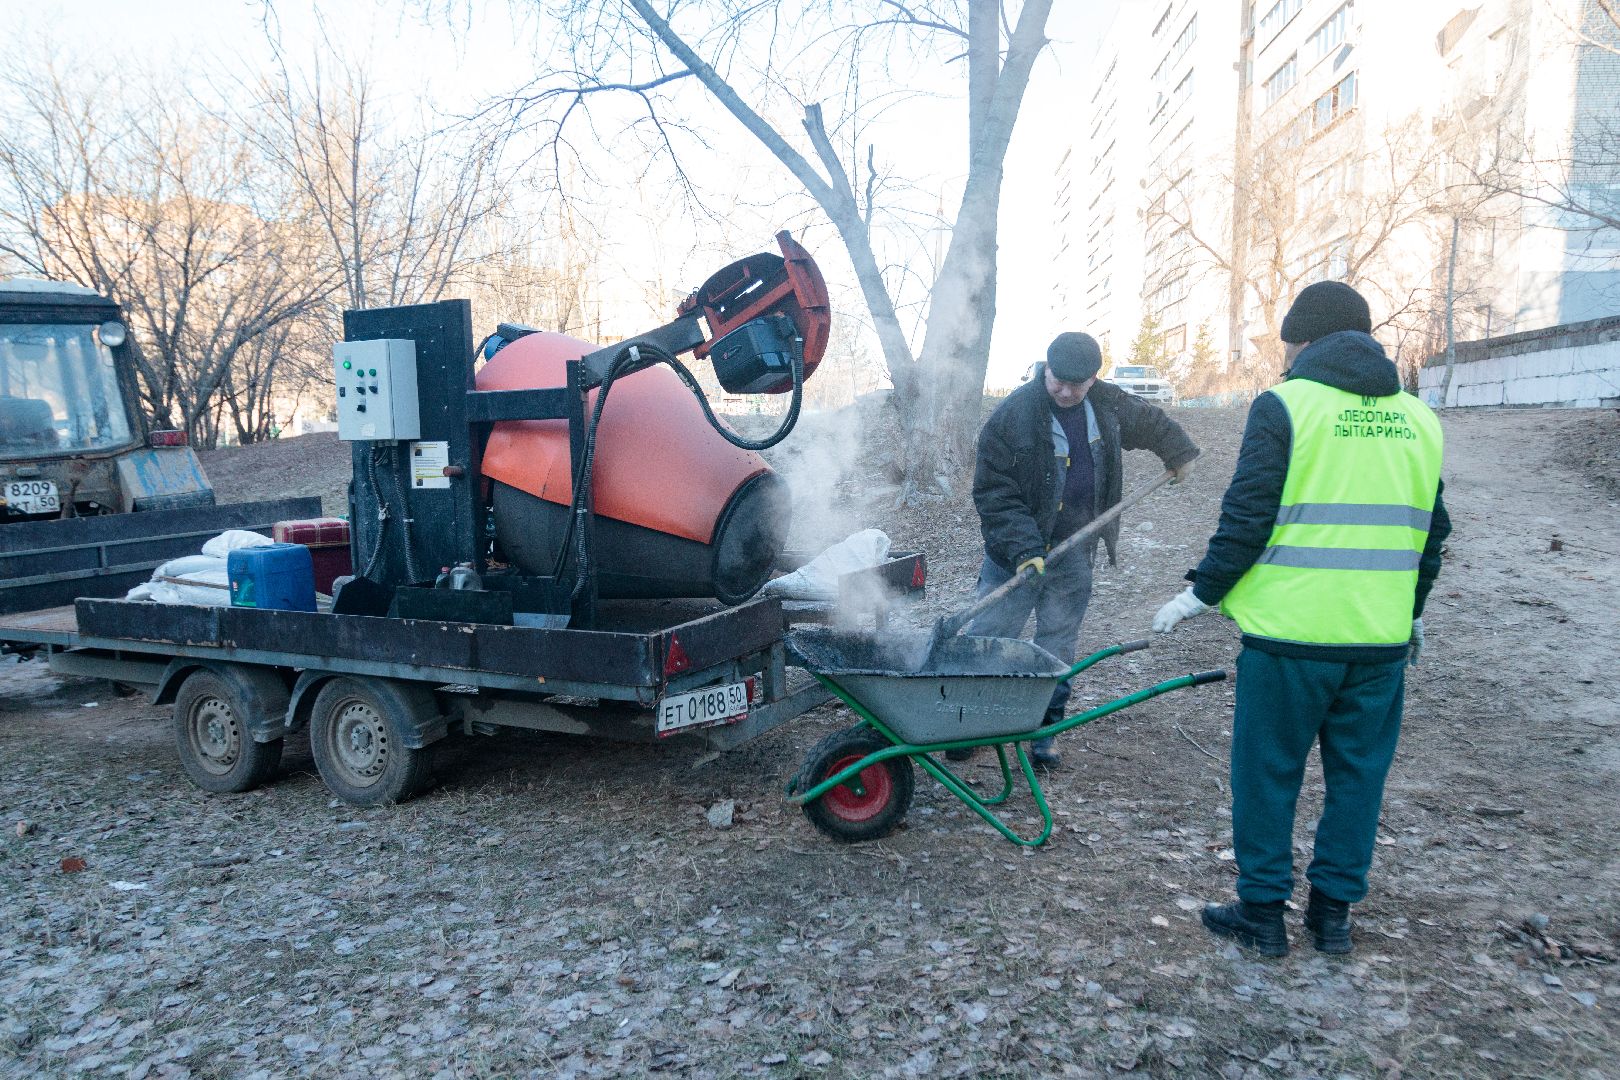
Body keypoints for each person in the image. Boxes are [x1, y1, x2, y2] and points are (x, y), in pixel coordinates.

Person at [1151, 281, 1450, 957]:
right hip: (1377, 643)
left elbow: (1248, 514)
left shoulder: (1285, 406)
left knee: (1267, 773)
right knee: (1358, 780)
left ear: (1306, 341)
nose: (1285, 359)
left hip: (1290, 640)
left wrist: (1200, 593)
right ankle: (1332, 918)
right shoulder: (1419, 418)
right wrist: (1413, 612)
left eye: (1288, 346)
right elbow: (1433, 533)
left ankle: (1262, 917)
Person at [962, 331, 1199, 770]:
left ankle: (1043, 730)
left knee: (1057, 641)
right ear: (1045, 369)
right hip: (1013, 555)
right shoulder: (1012, 416)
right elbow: (995, 493)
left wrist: (1179, 452)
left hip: (1074, 550)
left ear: (1094, 378)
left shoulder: (1107, 405)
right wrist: (1025, 548)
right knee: (990, 638)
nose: (1066, 392)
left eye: (1077, 383)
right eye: (1058, 381)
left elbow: (1152, 423)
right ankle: (967, 724)